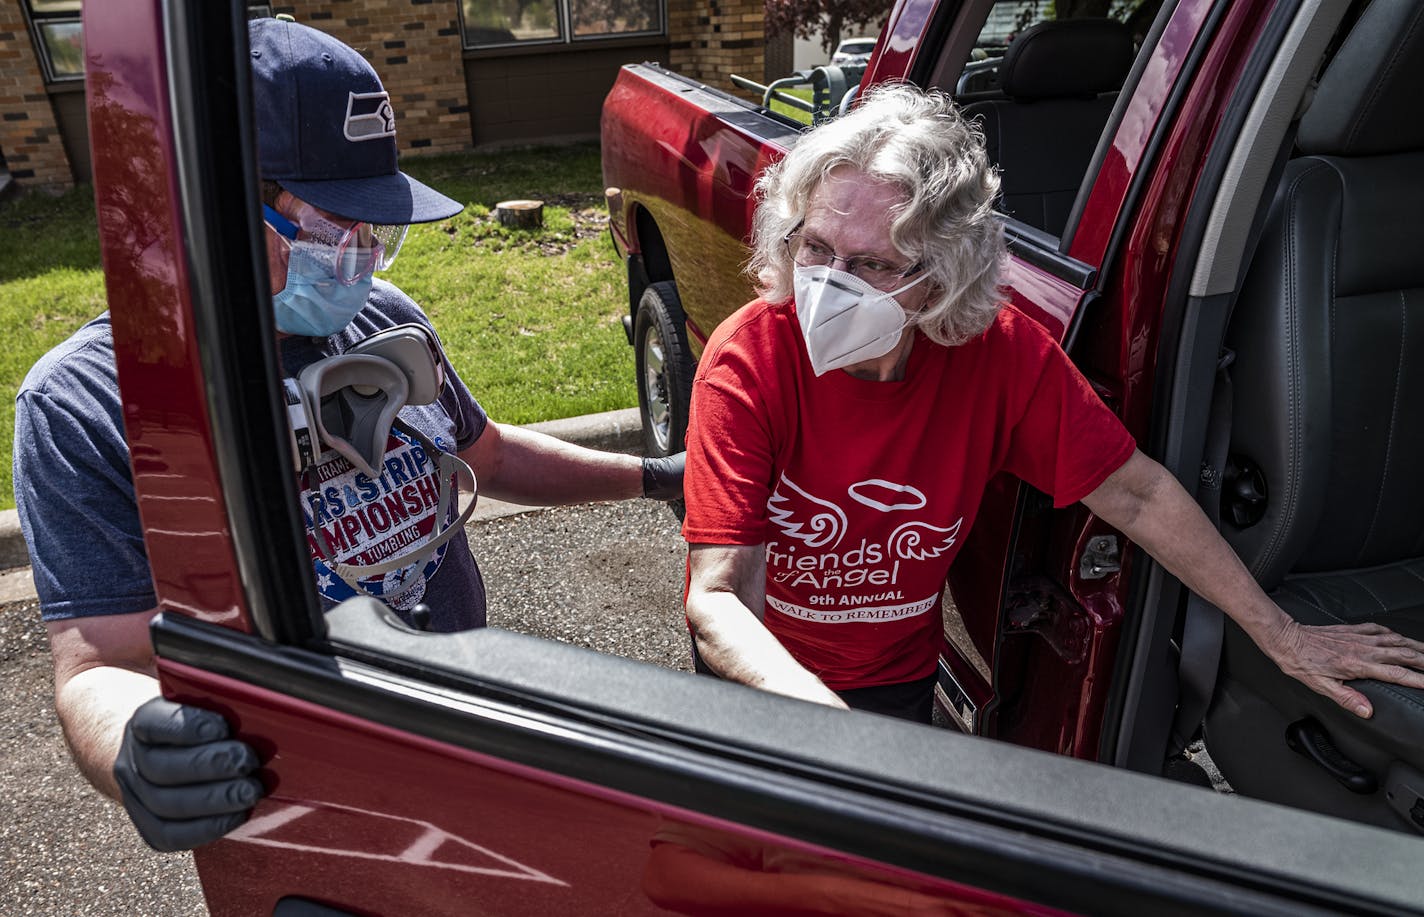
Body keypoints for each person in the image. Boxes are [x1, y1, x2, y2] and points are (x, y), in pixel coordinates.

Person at [12, 17, 681, 853]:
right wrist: (135, 747)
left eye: (379, 232)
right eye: (338, 227)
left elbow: (494, 454)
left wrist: (655, 477)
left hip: (461, 714)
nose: (363, 257)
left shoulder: (384, 323)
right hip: (308, 793)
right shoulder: (94, 400)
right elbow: (98, 660)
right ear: (220, 209)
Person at [681, 82, 1424, 724]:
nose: (829, 284)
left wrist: (1282, 634)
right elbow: (721, 601)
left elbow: (1136, 494)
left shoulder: (998, 356)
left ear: (940, 277)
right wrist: (824, 726)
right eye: (815, 249)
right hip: (763, 679)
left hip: (891, 681)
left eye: (873, 264)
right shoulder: (750, 361)